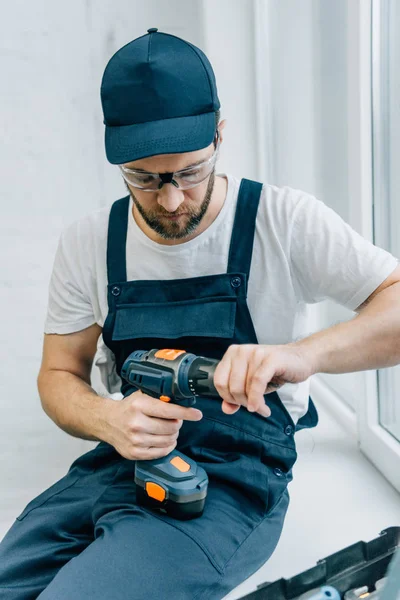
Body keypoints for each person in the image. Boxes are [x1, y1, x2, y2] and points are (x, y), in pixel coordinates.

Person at [0, 27, 399, 600]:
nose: (169, 200)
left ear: (219, 135)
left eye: (189, 172)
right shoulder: (88, 243)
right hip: (118, 462)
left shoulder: (281, 220)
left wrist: (300, 356)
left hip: (230, 481)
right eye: (144, 177)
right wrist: (105, 419)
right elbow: (57, 374)